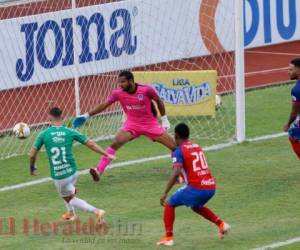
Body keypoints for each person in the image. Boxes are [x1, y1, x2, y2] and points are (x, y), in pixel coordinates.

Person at [73, 70, 176, 181]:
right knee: (115, 143)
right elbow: (104, 105)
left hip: (150, 124)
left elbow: (159, 101)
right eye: (119, 83)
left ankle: (178, 170)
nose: (120, 85)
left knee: (174, 146)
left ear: (131, 81)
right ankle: (98, 171)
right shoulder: (118, 93)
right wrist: (87, 115)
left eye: (123, 82)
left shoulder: (146, 90)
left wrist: (164, 119)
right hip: (132, 124)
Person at [30, 107, 115, 222]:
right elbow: (91, 144)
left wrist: (32, 167)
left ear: (49, 118)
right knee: (68, 193)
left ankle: (97, 211)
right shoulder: (70, 131)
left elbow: (32, 155)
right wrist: (106, 154)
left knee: (69, 198)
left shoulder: (44, 134)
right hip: (73, 171)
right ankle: (71, 214)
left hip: (60, 175)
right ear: (63, 118)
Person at [157, 123, 230, 246]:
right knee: (196, 206)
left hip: (197, 188)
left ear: (175, 136)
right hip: (211, 187)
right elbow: (192, 169)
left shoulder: (178, 151)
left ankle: (168, 238)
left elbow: (176, 172)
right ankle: (222, 224)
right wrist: (181, 180)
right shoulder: (196, 146)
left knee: (170, 204)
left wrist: (164, 193)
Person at [284, 58, 300, 158]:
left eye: (291, 69)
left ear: (298, 71)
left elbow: (294, 112)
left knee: (292, 134)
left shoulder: (297, 90)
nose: (288, 72)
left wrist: (288, 124)